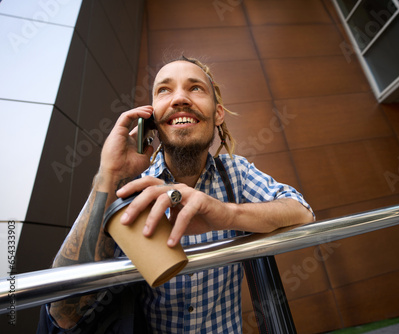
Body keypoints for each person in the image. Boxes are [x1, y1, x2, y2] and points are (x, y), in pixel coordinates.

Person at [38, 56, 314, 333]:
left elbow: (303, 212)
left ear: (218, 113)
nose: (180, 98)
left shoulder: (236, 174)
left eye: (195, 88)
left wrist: (227, 214)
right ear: (152, 118)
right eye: (164, 90)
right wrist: (109, 175)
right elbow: (63, 313)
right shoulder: (130, 188)